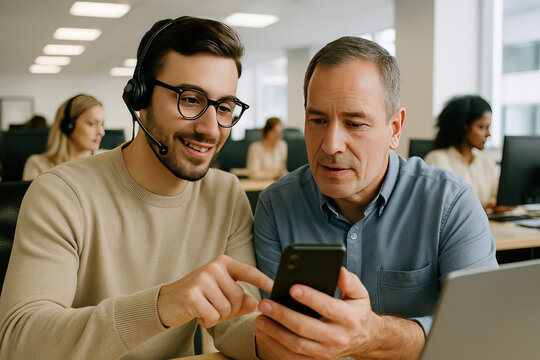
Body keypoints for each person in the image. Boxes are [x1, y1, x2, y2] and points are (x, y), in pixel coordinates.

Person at [0, 16, 273, 360]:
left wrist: (283, 340)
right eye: (190, 99)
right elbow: (20, 344)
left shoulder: (226, 194)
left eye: (224, 107)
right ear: (139, 98)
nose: (211, 128)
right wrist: (160, 306)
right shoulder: (60, 193)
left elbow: (237, 325)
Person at [253, 36, 498, 359]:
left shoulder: (449, 203)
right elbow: (275, 336)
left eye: (354, 123)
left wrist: (374, 335)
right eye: (318, 121)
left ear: (394, 128)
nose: (331, 145)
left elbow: (484, 332)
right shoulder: (275, 205)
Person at [424, 95, 499, 211]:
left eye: (489, 127)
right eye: (482, 127)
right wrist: (485, 205)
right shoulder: (437, 160)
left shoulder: (486, 161)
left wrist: (500, 204)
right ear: (464, 126)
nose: (488, 134)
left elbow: (497, 197)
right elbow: (438, 206)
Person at [22, 94, 105, 180]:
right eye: (92, 123)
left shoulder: (107, 161)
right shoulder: (38, 164)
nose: (102, 132)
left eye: (102, 124)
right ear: (69, 126)